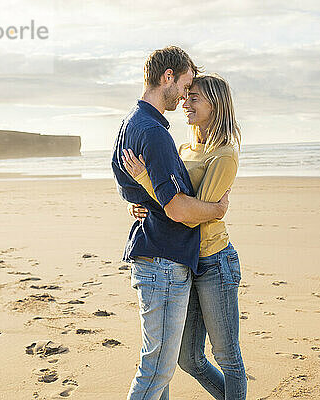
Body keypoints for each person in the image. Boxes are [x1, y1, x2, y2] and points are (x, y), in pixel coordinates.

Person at [111, 46, 231, 400]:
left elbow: (126, 183)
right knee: (157, 370)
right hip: (163, 260)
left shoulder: (130, 123)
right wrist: (216, 210)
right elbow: (178, 209)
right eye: (185, 85)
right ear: (168, 77)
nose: (185, 95)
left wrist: (141, 200)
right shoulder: (154, 133)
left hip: (152, 253)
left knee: (159, 370)